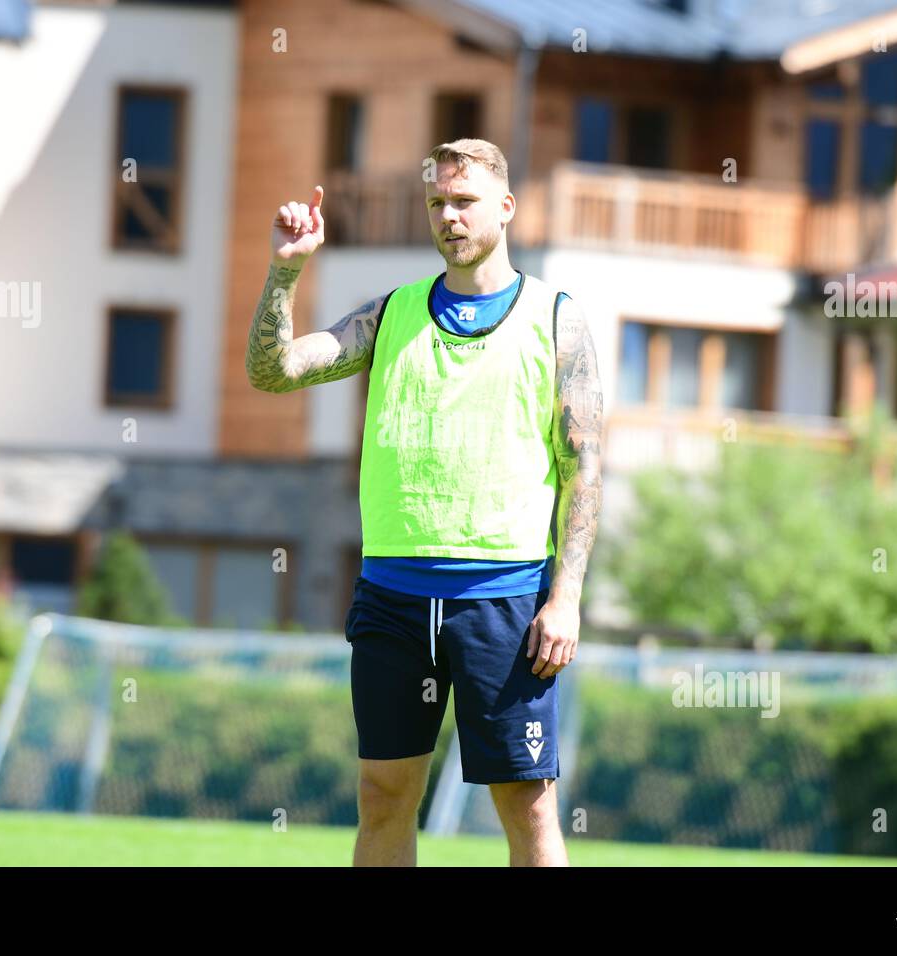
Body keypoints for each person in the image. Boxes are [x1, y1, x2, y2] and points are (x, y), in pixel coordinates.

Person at [245, 138, 603, 867]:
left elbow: (585, 469)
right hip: (393, 599)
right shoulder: (390, 316)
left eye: (464, 201)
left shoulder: (556, 320)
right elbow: (273, 372)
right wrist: (286, 270)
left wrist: (564, 598)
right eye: (437, 202)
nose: (449, 216)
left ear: (505, 208)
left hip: (503, 602)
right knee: (382, 796)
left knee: (527, 807)